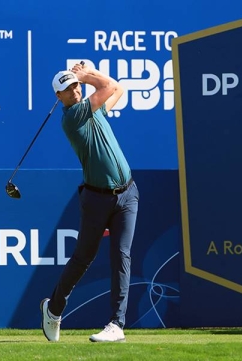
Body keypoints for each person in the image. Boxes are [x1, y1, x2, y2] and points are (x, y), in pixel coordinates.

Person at [40, 62, 139, 343]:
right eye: (68, 88)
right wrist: (89, 74)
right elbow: (106, 87)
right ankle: (54, 309)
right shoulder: (73, 117)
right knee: (84, 257)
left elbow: (117, 88)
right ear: (59, 97)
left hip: (128, 194)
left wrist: (91, 72)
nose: (75, 89)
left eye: (76, 85)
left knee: (122, 256)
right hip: (97, 199)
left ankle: (116, 324)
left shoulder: (94, 111)